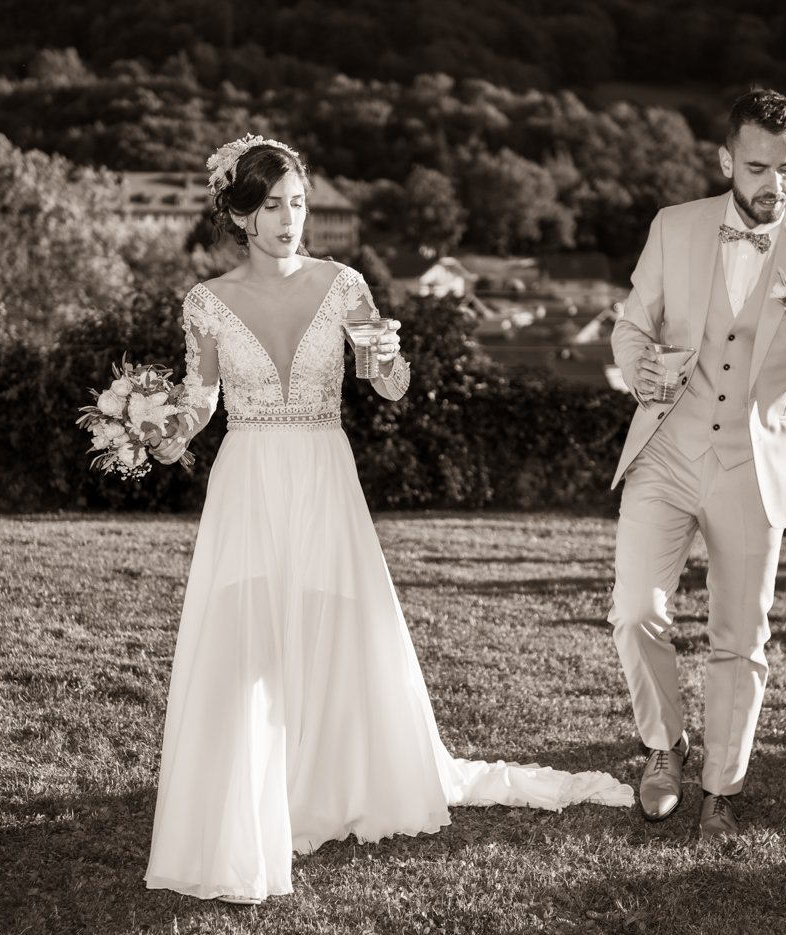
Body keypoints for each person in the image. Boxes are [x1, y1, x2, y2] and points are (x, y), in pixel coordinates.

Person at [143, 135, 632, 905]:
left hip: (323, 471)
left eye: (297, 202)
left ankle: (329, 781)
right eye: (272, 205)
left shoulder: (344, 285)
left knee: (331, 624)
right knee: (248, 631)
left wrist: (388, 361)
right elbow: (202, 397)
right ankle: (251, 792)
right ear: (239, 214)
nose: (289, 219)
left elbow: (391, 386)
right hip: (247, 475)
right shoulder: (206, 301)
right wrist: (168, 433)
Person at [607, 89, 786, 840]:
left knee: (740, 635)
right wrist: (639, 367)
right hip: (668, 449)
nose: (776, 184)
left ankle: (721, 789)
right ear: (725, 160)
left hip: (755, 464)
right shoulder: (673, 226)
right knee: (636, 610)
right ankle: (664, 746)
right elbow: (632, 326)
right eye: (759, 167)